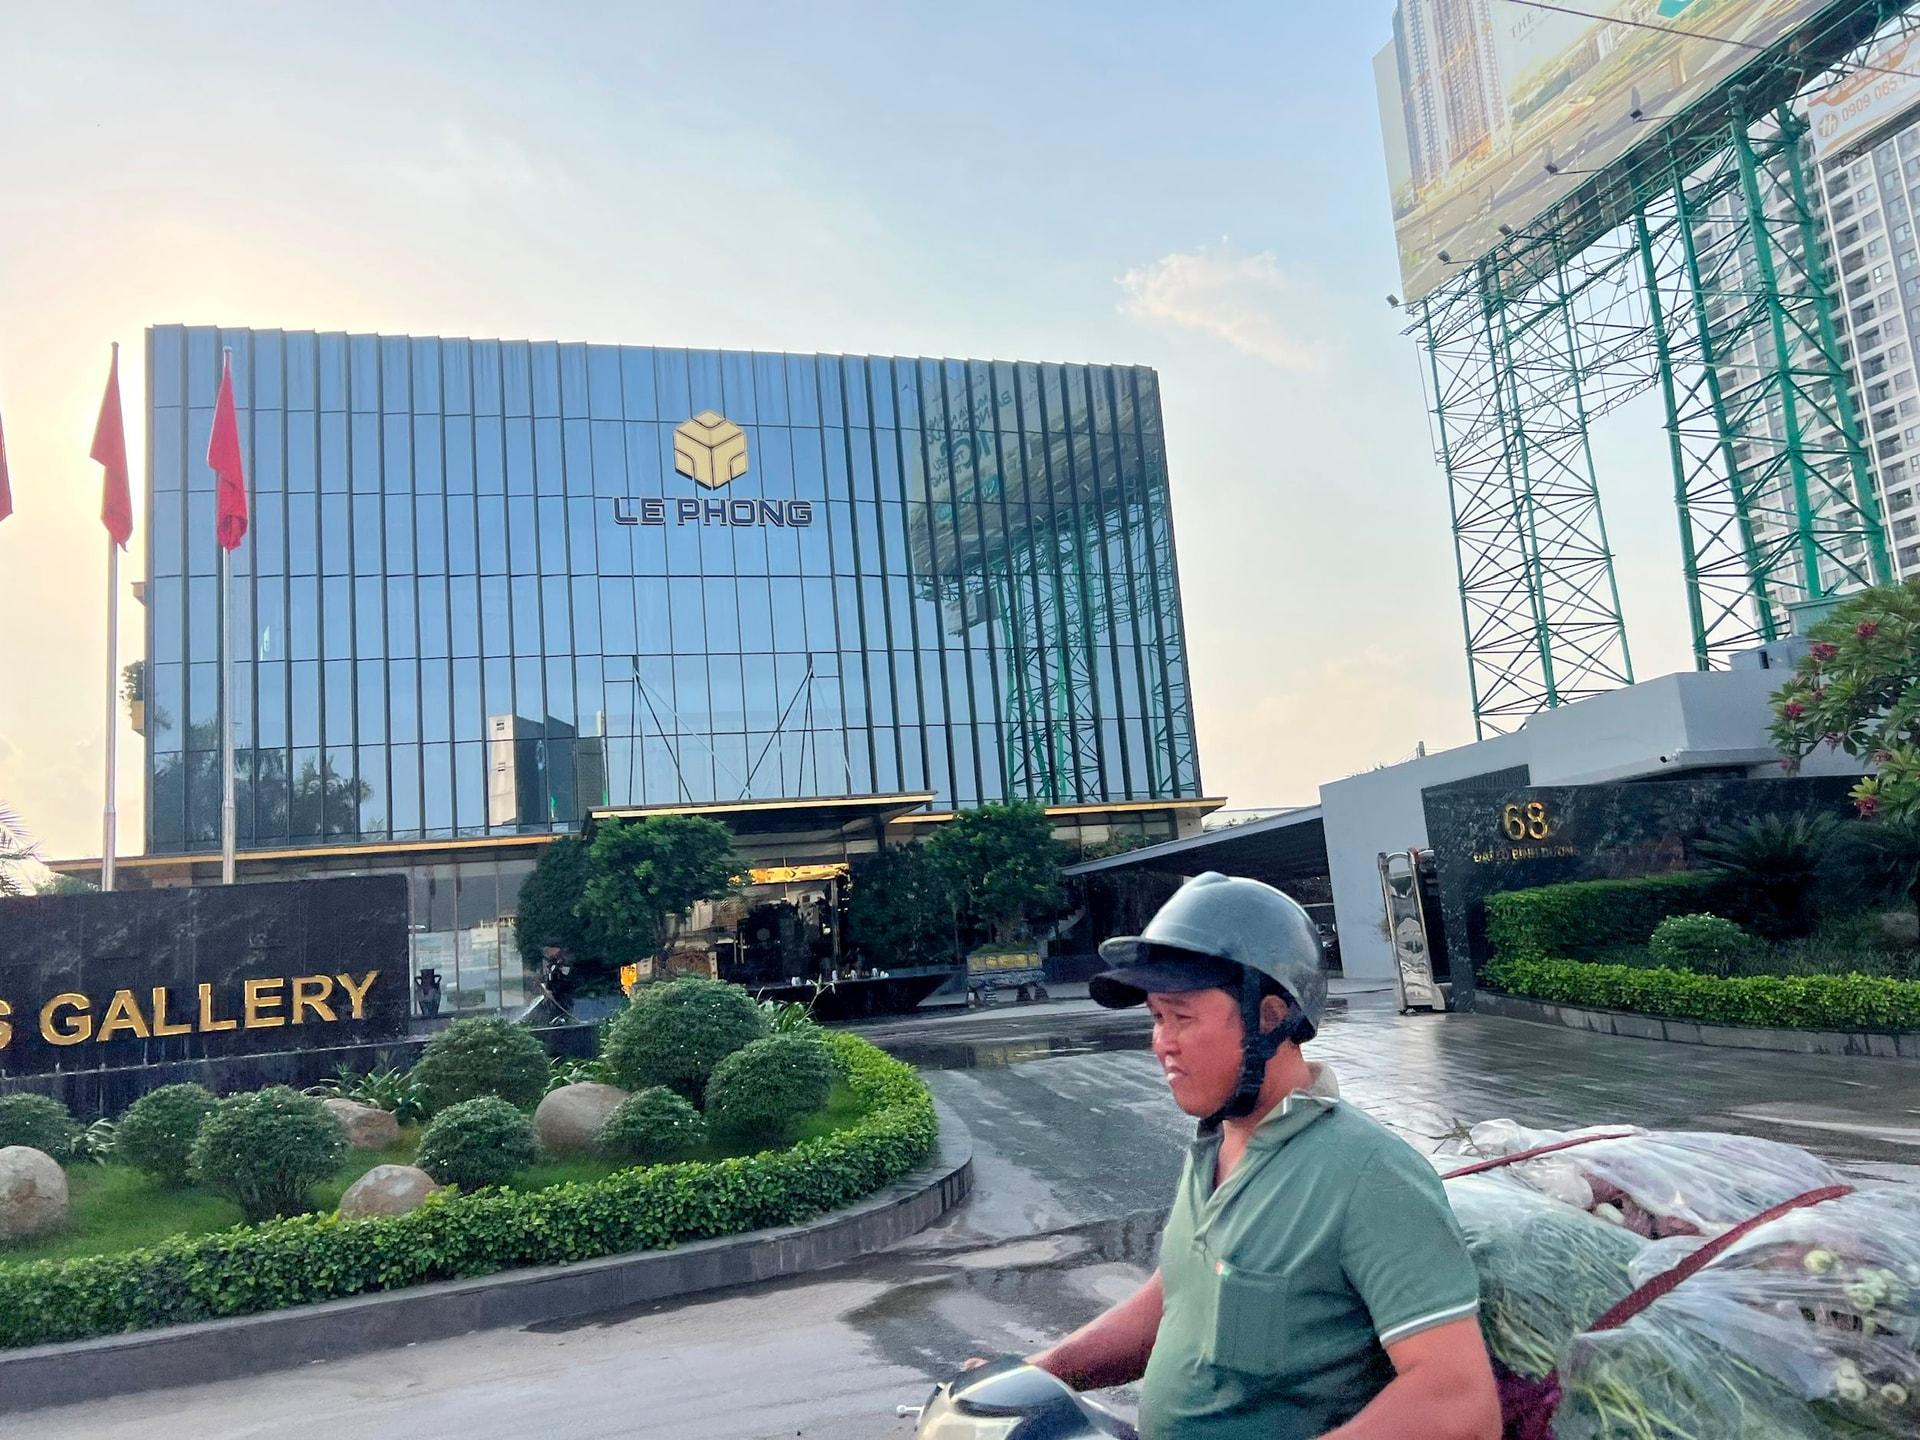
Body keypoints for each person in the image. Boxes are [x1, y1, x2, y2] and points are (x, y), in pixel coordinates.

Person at [1009, 872, 1499, 1440]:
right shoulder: (1217, 1144)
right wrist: (1034, 1377)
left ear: (1268, 1017)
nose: (1162, 1043)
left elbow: (1458, 1401)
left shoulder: (1366, 1173)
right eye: (1156, 1018)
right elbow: (1180, 1295)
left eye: (1182, 1017)